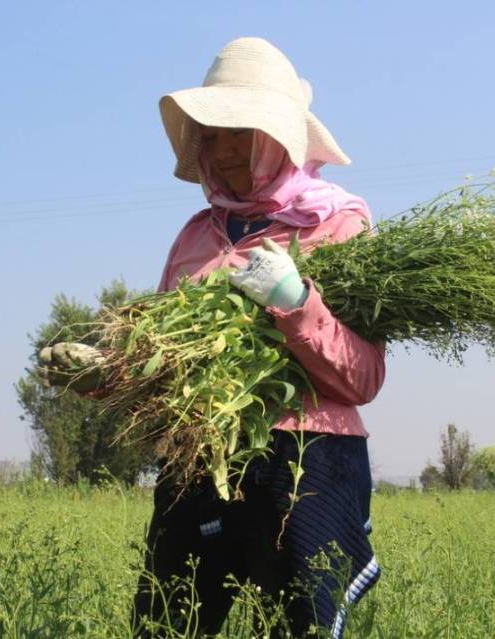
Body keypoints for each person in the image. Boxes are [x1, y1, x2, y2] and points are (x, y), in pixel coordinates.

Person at [129, 37, 384, 637]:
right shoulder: (196, 236)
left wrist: (297, 304)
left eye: (240, 133)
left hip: (305, 459)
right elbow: (166, 358)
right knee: (169, 622)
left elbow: (364, 378)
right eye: (213, 135)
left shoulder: (339, 225)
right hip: (201, 456)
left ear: (279, 139)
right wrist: (111, 368)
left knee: (297, 625)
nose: (223, 151)